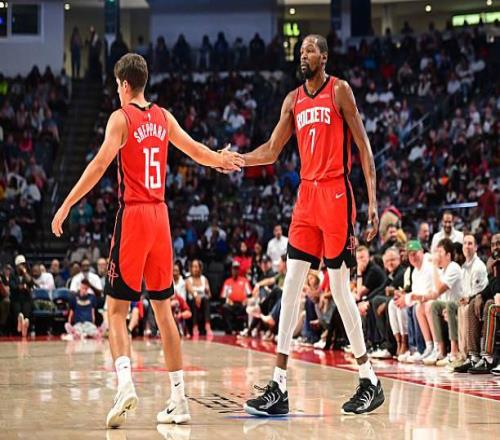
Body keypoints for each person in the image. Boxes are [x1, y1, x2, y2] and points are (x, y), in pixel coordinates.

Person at [51, 53, 243, 429]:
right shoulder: (163, 117)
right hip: (160, 217)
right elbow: (196, 150)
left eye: (116, 85)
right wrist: (220, 160)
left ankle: (125, 385)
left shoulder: (120, 118)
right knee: (163, 311)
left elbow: (99, 165)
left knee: (116, 311)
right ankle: (178, 400)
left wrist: (67, 203)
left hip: (135, 216)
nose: (116, 91)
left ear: (124, 85)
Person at [239, 34, 383, 416]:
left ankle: (369, 378)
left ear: (324, 56)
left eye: (310, 50)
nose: (303, 55)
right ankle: (279, 385)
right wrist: (238, 159)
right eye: (301, 50)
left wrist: (372, 202)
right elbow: (271, 150)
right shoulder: (292, 100)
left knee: (340, 290)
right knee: (291, 284)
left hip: (336, 194)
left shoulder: (340, 91)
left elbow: (364, 147)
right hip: (306, 196)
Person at [221, 261, 251, 334]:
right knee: (225, 307)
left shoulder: (244, 281)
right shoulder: (227, 282)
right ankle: (230, 330)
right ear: (231, 270)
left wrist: (246, 300)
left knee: (249, 307)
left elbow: (250, 294)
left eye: (237, 269)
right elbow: (223, 296)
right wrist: (227, 300)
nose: (235, 271)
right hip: (231, 304)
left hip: (242, 304)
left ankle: (247, 329)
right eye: (234, 269)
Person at [185, 259, 213, 337]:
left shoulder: (204, 279)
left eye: (196, 267)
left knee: (206, 300)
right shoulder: (188, 280)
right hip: (192, 302)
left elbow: (209, 295)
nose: (195, 269)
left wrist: (207, 291)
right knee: (194, 300)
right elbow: (191, 291)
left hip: (203, 302)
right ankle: (195, 326)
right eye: (193, 267)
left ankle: (207, 326)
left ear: (200, 268)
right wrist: (197, 296)